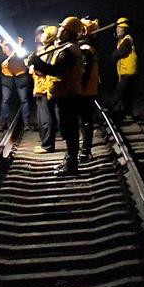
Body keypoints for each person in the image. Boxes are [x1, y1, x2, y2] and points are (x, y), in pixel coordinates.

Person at [27, 16, 84, 175]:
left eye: (63, 28)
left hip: (68, 95)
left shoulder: (69, 52)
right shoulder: (66, 48)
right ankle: (69, 160)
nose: (59, 30)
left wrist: (36, 62)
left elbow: (57, 71)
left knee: (69, 130)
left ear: (67, 32)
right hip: (63, 94)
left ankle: (71, 164)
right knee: (67, 129)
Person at [28, 25, 60, 153]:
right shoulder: (46, 49)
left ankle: (47, 145)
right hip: (41, 87)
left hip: (45, 87)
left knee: (46, 117)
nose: (42, 36)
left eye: (45, 34)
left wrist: (33, 67)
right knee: (44, 116)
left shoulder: (51, 49)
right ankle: (45, 144)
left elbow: (45, 70)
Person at [78, 18, 101, 161]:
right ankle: (85, 150)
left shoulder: (85, 49)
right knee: (85, 120)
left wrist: (78, 88)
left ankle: (85, 152)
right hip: (89, 90)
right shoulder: (89, 46)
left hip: (84, 91)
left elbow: (84, 73)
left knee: (85, 121)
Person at [0, 37, 31, 132]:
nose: (8, 47)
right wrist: (11, 54)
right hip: (7, 76)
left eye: (9, 44)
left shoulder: (19, 49)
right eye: (6, 45)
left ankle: (26, 123)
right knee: (5, 100)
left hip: (20, 75)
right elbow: (3, 63)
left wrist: (19, 45)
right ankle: (3, 123)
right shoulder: (0, 52)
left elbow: (24, 56)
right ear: (1, 43)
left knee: (24, 100)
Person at [107, 17, 138, 116]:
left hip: (127, 72)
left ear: (124, 29)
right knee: (127, 93)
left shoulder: (127, 40)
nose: (118, 30)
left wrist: (111, 57)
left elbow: (121, 52)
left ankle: (108, 109)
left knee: (118, 91)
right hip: (127, 71)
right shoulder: (122, 40)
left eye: (120, 28)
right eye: (118, 28)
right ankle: (128, 112)